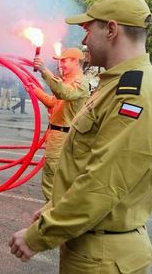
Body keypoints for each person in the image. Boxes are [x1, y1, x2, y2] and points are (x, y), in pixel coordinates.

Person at [9, 0, 152, 273]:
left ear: (111, 29)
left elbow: (103, 182)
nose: (84, 40)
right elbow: (86, 163)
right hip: (94, 247)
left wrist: (39, 235)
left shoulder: (135, 93)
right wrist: (54, 206)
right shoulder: (116, 84)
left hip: (102, 255)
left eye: (88, 30)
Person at [32, 47, 90, 201]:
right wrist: (36, 90)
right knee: (56, 176)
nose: (61, 65)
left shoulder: (79, 82)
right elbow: (54, 102)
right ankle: (55, 213)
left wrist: (44, 71)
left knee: (52, 178)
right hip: (58, 134)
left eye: (64, 61)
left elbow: (63, 93)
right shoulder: (68, 81)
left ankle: (52, 215)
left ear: (76, 62)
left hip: (63, 136)